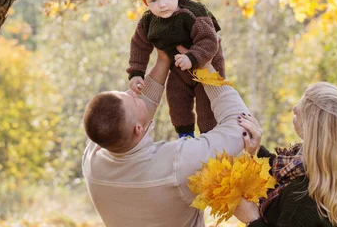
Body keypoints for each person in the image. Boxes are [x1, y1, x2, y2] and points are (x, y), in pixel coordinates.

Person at [82, 47, 251, 227]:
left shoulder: (93, 161)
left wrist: (163, 60)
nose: (133, 92)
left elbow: (128, 117)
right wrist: (205, 68)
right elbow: (239, 125)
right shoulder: (175, 165)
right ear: (138, 129)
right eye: (132, 98)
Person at [234, 82, 337, 227]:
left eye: (306, 101)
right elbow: (282, 173)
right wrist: (255, 152)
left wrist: (253, 219)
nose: (295, 107)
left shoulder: (300, 199)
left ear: (312, 126)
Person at [127, 0, 225, 138]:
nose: (162, 4)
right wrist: (136, 73)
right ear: (146, 2)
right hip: (178, 69)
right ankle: (185, 136)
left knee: (206, 105)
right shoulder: (148, 21)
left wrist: (192, 57)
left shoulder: (193, 12)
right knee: (177, 99)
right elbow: (139, 45)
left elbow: (209, 40)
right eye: (153, 1)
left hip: (206, 63)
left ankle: (210, 137)